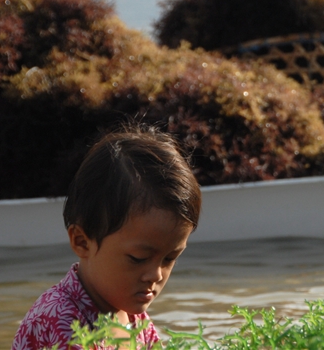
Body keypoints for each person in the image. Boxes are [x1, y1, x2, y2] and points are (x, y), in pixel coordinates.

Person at [12, 127, 201, 350]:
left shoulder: (132, 316)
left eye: (170, 258)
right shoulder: (60, 321)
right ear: (82, 242)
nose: (156, 274)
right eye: (138, 258)